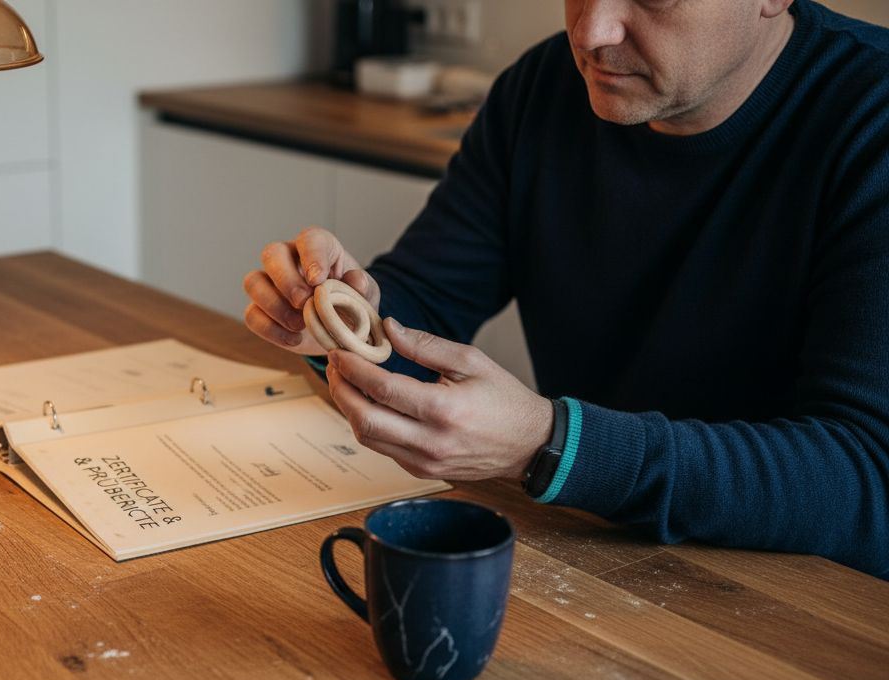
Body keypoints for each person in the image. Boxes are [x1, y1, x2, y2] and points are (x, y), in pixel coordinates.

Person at [242, 0, 889, 578]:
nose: (593, 31)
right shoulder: (544, 88)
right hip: (594, 553)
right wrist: (332, 317)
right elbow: (424, 309)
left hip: (798, 608)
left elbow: (865, 481)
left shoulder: (870, 118)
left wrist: (553, 445)